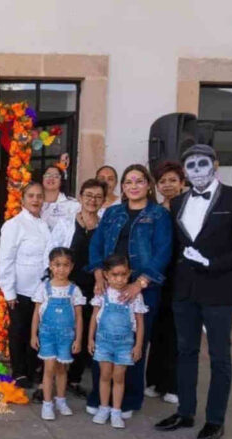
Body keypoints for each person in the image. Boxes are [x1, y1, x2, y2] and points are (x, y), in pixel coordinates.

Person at [155, 144, 232, 439]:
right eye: (191, 165)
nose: (197, 170)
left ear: (215, 164)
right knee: (185, 353)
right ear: (185, 172)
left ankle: (215, 419)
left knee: (219, 356)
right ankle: (185, 412)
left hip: (219, 289)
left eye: (203, 164)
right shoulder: (178, 203)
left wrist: (213, 263)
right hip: (184, 291)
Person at [86, 164, 172, 417]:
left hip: (143, 288)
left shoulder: (158, 215)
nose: (133, 186)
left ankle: (129, 399)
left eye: (139, 181)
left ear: (148, 185)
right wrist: (98, 274)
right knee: (102, 338)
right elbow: (97, 244)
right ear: (122, 188)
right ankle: (100, 397)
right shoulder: (112, 213)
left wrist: (140, 283)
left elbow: (163, 251)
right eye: (128, 182)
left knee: (134, 343)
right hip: (109, 285)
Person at [44, 178, 107, 397]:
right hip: (67, 286)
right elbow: (51, 252)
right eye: (88, 195)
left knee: (85, 329)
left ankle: (74, 378)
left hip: (94, 288)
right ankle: (49, 380)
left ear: (103, 200)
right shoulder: (66, 223)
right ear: (80, 197)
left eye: (98, 196)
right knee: (59, 329)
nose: (93, 200)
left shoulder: (104, 227)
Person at [0, 182, 51, 389]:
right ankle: (19, 372)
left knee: (37, 331)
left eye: (39, 196)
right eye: (31, 196)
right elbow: (6, 260)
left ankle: (33, 369)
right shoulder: (14, 225)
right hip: (21, 289)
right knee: (20, 330)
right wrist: (9, 291)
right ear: (22, 199)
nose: (36, 200)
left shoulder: (44, 224)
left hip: (42, 290)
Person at [88, 254, 147, 429]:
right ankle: (103, 407)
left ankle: (116, 410)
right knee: (105, 375)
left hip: (124, 345)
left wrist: (138, 345)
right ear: (106, 275)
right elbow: (94, 317)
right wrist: (90, 339)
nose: (119, 279)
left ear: (129, 274)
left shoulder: (135, 295)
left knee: (119, 377)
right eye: (115, 275)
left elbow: (140, 322)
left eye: (123, 274)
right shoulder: (102, 293)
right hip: (103, 343)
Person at [145, 161, 186, 404]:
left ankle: (174, 385)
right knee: (157, 331)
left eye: (173, 180)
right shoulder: (156, 211)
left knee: (177, 333)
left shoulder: (190, 209)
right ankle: (154, 381)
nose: (167, 185)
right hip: (158, 277)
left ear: (182, 182)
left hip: (183, 278)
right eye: (163, 181)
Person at [30, 247, 85, 420]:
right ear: (50, 266)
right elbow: (36, 313)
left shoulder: (74, 290)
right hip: (47, 335)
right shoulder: (44, 288)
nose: (61, 269)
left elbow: (78, 317)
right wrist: (33, 335)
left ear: (72, 267)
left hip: (66, 336)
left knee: (62, 369)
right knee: (49, 368)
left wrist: (78, 339)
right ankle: (47, 404)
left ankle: (61, 400)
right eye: (57, 265)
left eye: (65, 265)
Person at [40, 165, 80, 230]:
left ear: (61, 181)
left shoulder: (72, 205)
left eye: (56, 176)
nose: (51, 178)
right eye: (47, 175)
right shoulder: (34, 202)